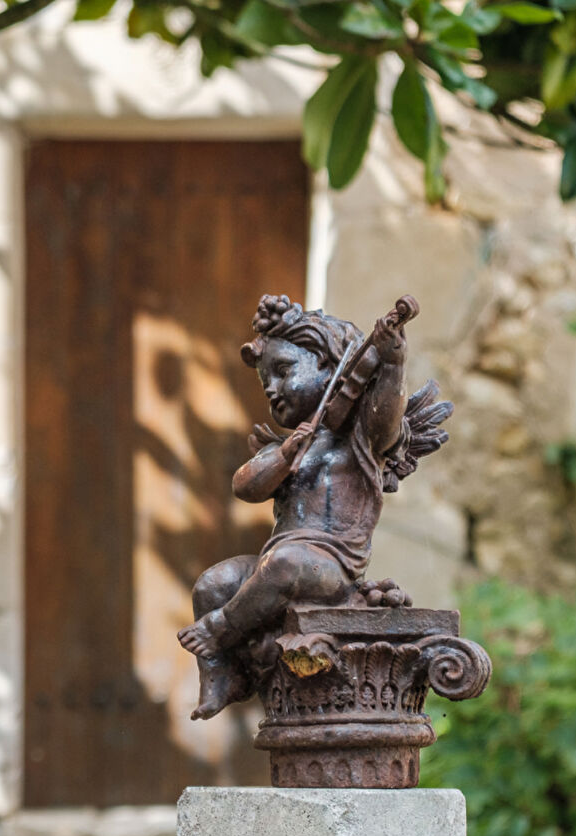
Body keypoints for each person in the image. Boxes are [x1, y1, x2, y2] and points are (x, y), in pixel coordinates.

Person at [178, 292, 430, 720]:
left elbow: (387, 416)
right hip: (278, 562)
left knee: (286, 563)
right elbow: (246, 487)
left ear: (331, 368)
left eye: (283, 371)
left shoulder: (359, 443)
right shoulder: (286, 447)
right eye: (265, 383)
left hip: (330, 566)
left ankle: (220, 630)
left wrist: (393, 363)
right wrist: (283, 455)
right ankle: (223, 675)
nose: (273, 388)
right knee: (213, 584)